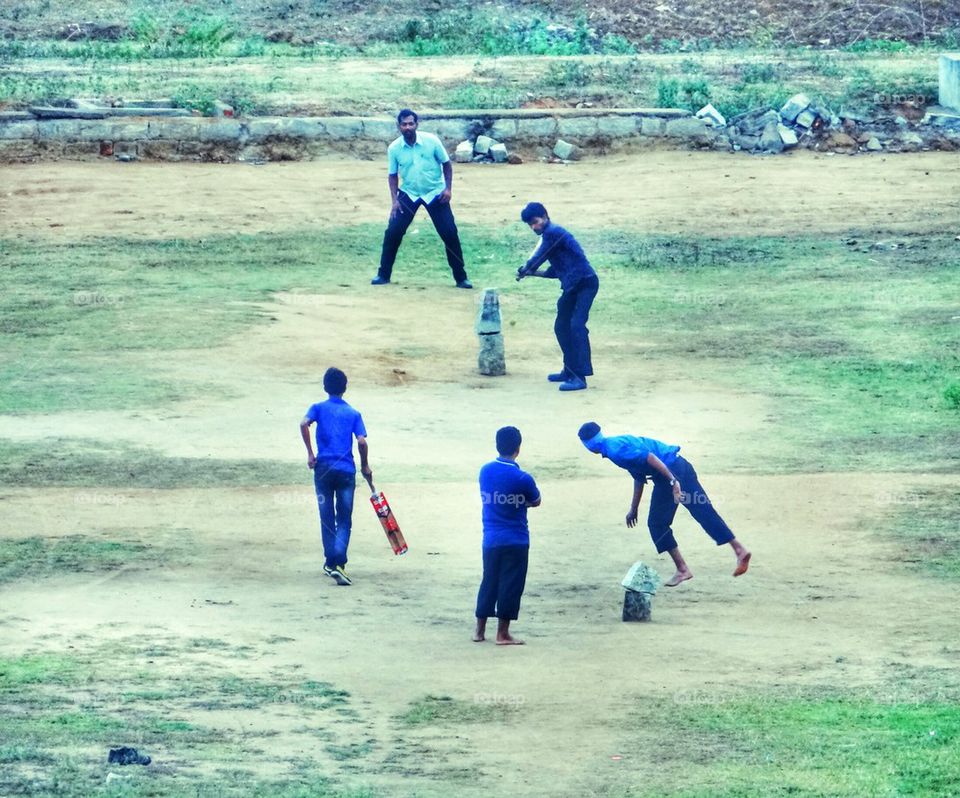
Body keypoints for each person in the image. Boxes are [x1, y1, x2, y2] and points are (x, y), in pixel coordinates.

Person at [577, 422, 751, 587]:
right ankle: (739, 550)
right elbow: (639, 476)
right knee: (704, 512)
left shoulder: (615, 452)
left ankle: (683, 569)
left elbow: (650, 458)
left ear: (588, 445)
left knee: (657, 523)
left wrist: (673, 482)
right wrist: (634, 508)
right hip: (681, 465)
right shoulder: (615, 444)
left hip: (670, 474)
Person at [372, 109, 472, 289]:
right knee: (392, 233)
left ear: (416, 125)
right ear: (399, 126)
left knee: (449, 233)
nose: (408, 127)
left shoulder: (431, 141)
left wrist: (448, 189)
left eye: (411, 123)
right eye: (404, 124)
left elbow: (447, 165)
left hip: (435, 193)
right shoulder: (394, 148)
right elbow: (392, 176)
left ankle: (461, 278)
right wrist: (395, 201)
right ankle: (383, 275)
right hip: (409, 193)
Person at [516, 202, 599, 392]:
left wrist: (528, 268)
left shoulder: (553, 232)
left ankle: (580, 377)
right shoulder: (552, 237)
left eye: (536, 222)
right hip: (572, 287)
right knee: (561, 326)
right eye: (531, 225)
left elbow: (539, 256)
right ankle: (569, 370)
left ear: (545, 216)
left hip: (586, 284)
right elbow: (555, 271)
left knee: (576, 326)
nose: (534, 227)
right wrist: (530, 272)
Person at [299, 367, 371, 586]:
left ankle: (331, 562)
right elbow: (361, 441)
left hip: (323, 469)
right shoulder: (353, 413)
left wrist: (310, 453)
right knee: (344, 518)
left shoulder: (318, 408)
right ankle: (338, 562)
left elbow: (303, 423)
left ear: (325, 387)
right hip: (346, 471)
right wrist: (365, 465)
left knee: (326, 516)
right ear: (345, 388)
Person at [474, 426, 541, 645]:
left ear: (497, 445)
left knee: (489, 581)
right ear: (518, 449)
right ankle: (502, 633)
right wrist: (522, 502)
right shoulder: (522, 478)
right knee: (511, 585)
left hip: (491, 538)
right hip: (516, 538)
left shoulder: (485, 471)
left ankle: (479, 631)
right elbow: (536, 500)